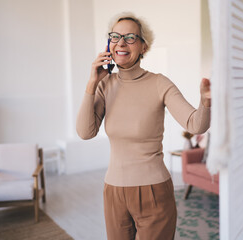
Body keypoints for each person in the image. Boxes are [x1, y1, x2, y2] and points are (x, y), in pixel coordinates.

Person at [76, 12, 211, 240]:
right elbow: (85, 132)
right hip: (113, 192)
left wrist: (206, 103)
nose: (121, 42)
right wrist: (91, 84)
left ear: (143, 47)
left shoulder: (159, 83)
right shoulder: (104, 85)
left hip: (154, 191)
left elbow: (194, 124)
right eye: (115, 36)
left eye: (130, 37)